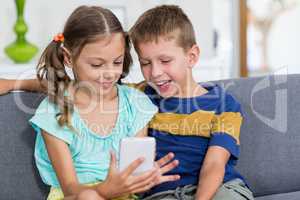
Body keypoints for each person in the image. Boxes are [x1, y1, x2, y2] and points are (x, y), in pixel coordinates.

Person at [0, 4, 254, 200]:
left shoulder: (217, 103)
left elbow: (214, 164)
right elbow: (72, 89)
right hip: (134, 194)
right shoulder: (142, 94)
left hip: (212, 189)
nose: (155, 73)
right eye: (145, 63)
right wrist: (14, 84)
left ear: (192, 56)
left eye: (165, 61)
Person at [1, 5, 180, 200]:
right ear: (68, 58)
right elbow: (70, 188)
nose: (110, 73)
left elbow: (135, 183)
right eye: (97, 64)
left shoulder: (134, 102)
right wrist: (105, 191)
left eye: (117, 62)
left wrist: (144, 179)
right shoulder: (55, 111)